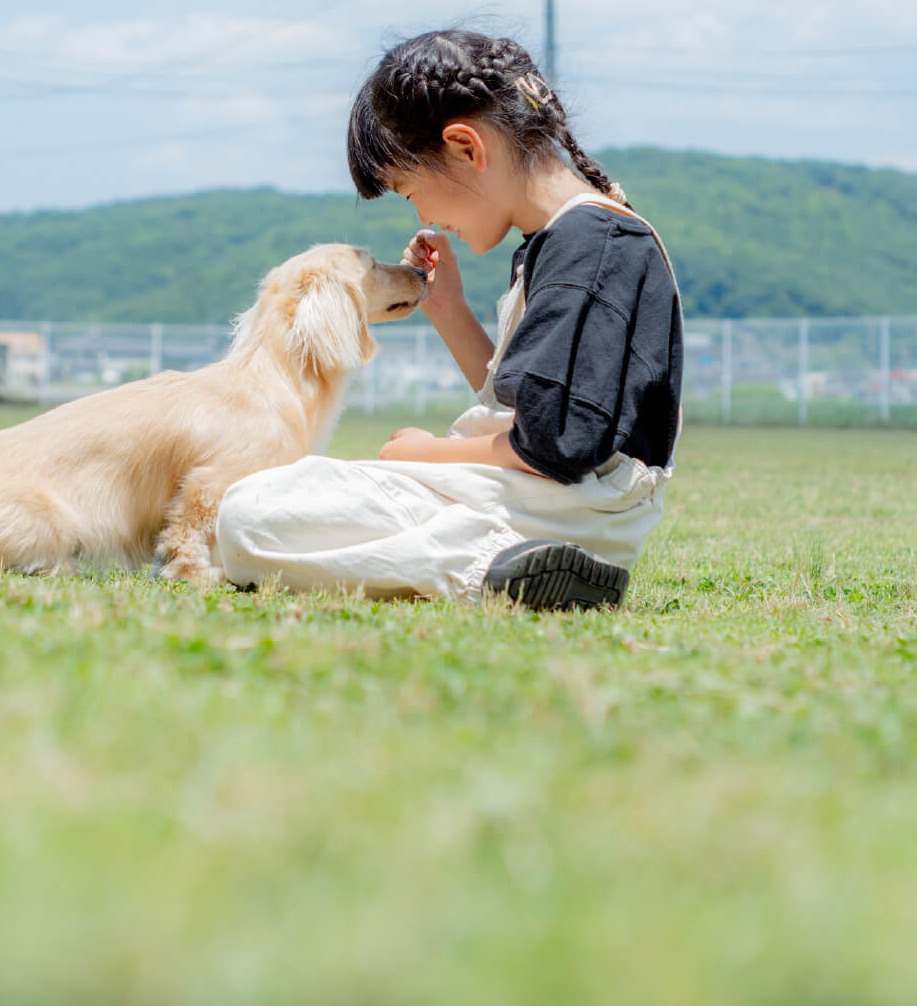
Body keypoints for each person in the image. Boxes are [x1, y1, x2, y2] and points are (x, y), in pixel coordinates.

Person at [216, 30, 683, 610]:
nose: (424, 214)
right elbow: (538, 410)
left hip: (553, 506)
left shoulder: (590, 247)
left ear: (466, 148)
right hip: (555, 505)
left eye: (412, 191)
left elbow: (555, 445)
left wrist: (419, 452)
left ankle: (484, 564)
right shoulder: (574, 240)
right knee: (260, 505)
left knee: (248, 513)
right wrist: (450, 311)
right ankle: (502, 562)